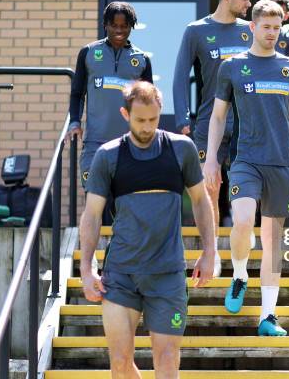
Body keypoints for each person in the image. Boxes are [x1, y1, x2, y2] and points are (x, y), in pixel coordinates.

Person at [203, 0, 289, 336]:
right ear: (252, 27)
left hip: (281, 163)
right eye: (265, 26)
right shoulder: (232, 67)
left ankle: (268, 317)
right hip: (245, 161)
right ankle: (239, 275)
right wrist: (211, 158)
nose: (271, 32)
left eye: (276, 27)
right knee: (241, 224)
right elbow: (218, 116)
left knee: (273, 241)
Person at [79, 81, 215, 377]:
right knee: (120, 362)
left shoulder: (181, 149)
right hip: (121, 275)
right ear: (125, 114)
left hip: (167, 276)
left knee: (167, 360)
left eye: (153, 119)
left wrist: (209, 252)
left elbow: (201, 202)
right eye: (140, 120)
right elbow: (91, 215)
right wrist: (86, 268)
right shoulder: (108, 155)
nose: (147, 126)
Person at [173, 0, 255, 278]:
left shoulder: (252, 30)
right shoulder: (196, 31)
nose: (249, 4)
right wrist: (183, 119)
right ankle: (213, 251)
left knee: (246, 188)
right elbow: (180, 75)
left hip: (247, 124)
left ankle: (241, 253)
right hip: (209, 123)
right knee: (211, 188)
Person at [68, 1, 153, 201]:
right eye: (114, 25)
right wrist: (74, 122)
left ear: (131, 27)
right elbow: (77, 93)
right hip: (94, 141)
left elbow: (149, 101)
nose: (119, 30)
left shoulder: (141, 59)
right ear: (105, 25)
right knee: (94, 195)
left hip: (129, 143)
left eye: (124, 26)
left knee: (124, 198)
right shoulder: (88, 53)